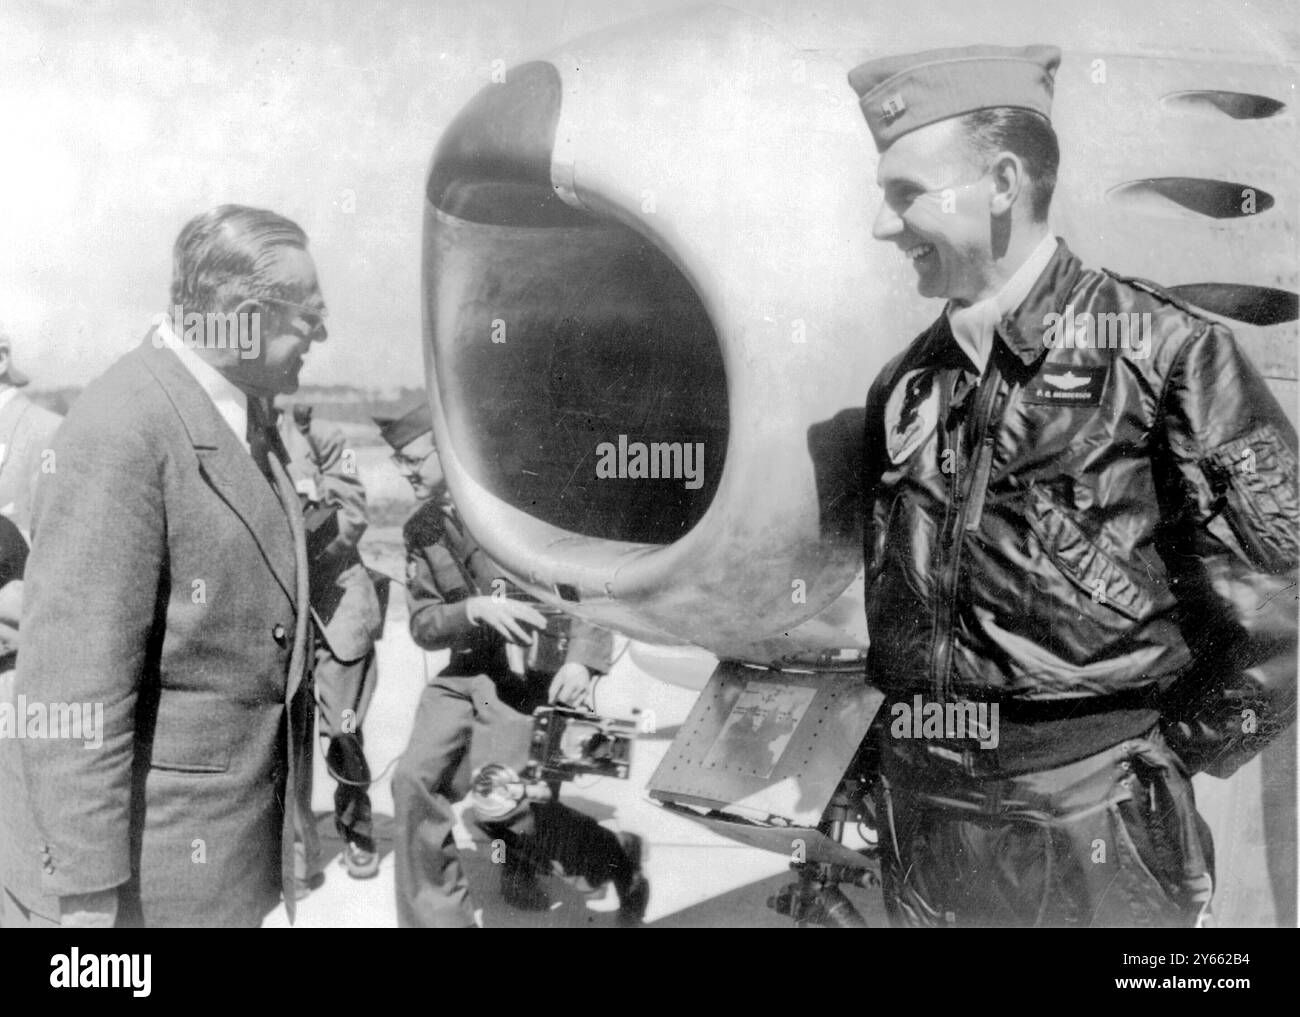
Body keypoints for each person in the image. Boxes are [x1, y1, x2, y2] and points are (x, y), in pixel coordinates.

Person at [847, 45, 1296, 927]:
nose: (884, 226)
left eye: (906, 194)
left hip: (1094, 820)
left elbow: (1285, 603)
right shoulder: (907, 383)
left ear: (1003, 183)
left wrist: (1157, 763)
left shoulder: (1168, 353)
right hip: (926, 819)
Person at [0, 204, 327, 927]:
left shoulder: (238, 414)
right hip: (142, 891)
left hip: (212, 870)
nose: (322, 336)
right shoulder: (126, 423)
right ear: (244, 316)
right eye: (309, 317)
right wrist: (86, 898)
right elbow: (73, 681)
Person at [377, 399, 649, 927]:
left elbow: (586, 581)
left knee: (502, 805)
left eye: (413, 459)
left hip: (531, 681)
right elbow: (423, 625)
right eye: (400, 464)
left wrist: (583, 663)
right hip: (467, 677)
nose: (405, 472)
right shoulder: (422, 530)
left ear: (449, 449)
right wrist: (471, 609)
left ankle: (613, 854)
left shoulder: (525, 504)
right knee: (411, 781)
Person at [277, 400, 384, 881]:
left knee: (342, 730)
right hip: (282, 610)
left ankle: (357, 826)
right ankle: (296, 848)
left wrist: (299, 549)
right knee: (287, 735)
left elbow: (353, 513)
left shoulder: (324, 435)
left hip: (337, 603)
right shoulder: (244, 434)